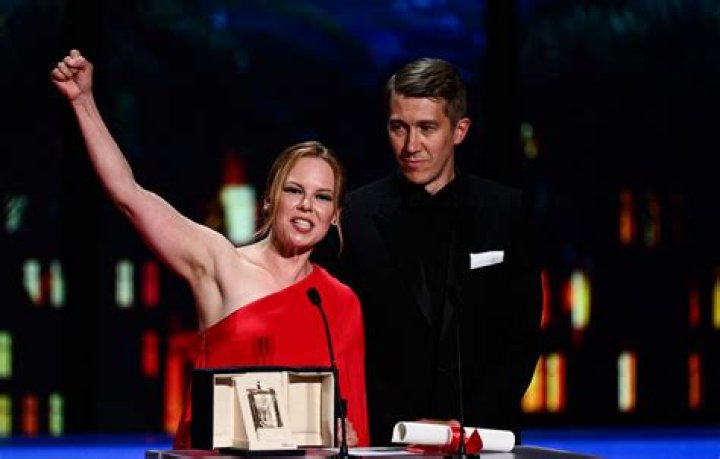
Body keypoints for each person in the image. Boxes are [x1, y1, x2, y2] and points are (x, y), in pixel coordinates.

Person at [51, 50, 368, 448]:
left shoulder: (338, 302)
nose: (307, 205)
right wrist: (83, 102)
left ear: (335, 215)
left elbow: (352, 418)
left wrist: (347, 438)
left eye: (322, 197)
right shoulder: (220, 263)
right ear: (269, 200)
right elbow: (130, 195)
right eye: (294, 190)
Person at [313, 57, 542, 444]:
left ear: (459, 130)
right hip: (385, 438)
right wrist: (385, 427)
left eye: (427, 128)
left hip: (483, 437)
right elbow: (333, 339)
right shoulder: (353, 215)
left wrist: (464, 426)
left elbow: (522, 337)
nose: (410, 146)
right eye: (398, 128)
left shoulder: (505, 211)